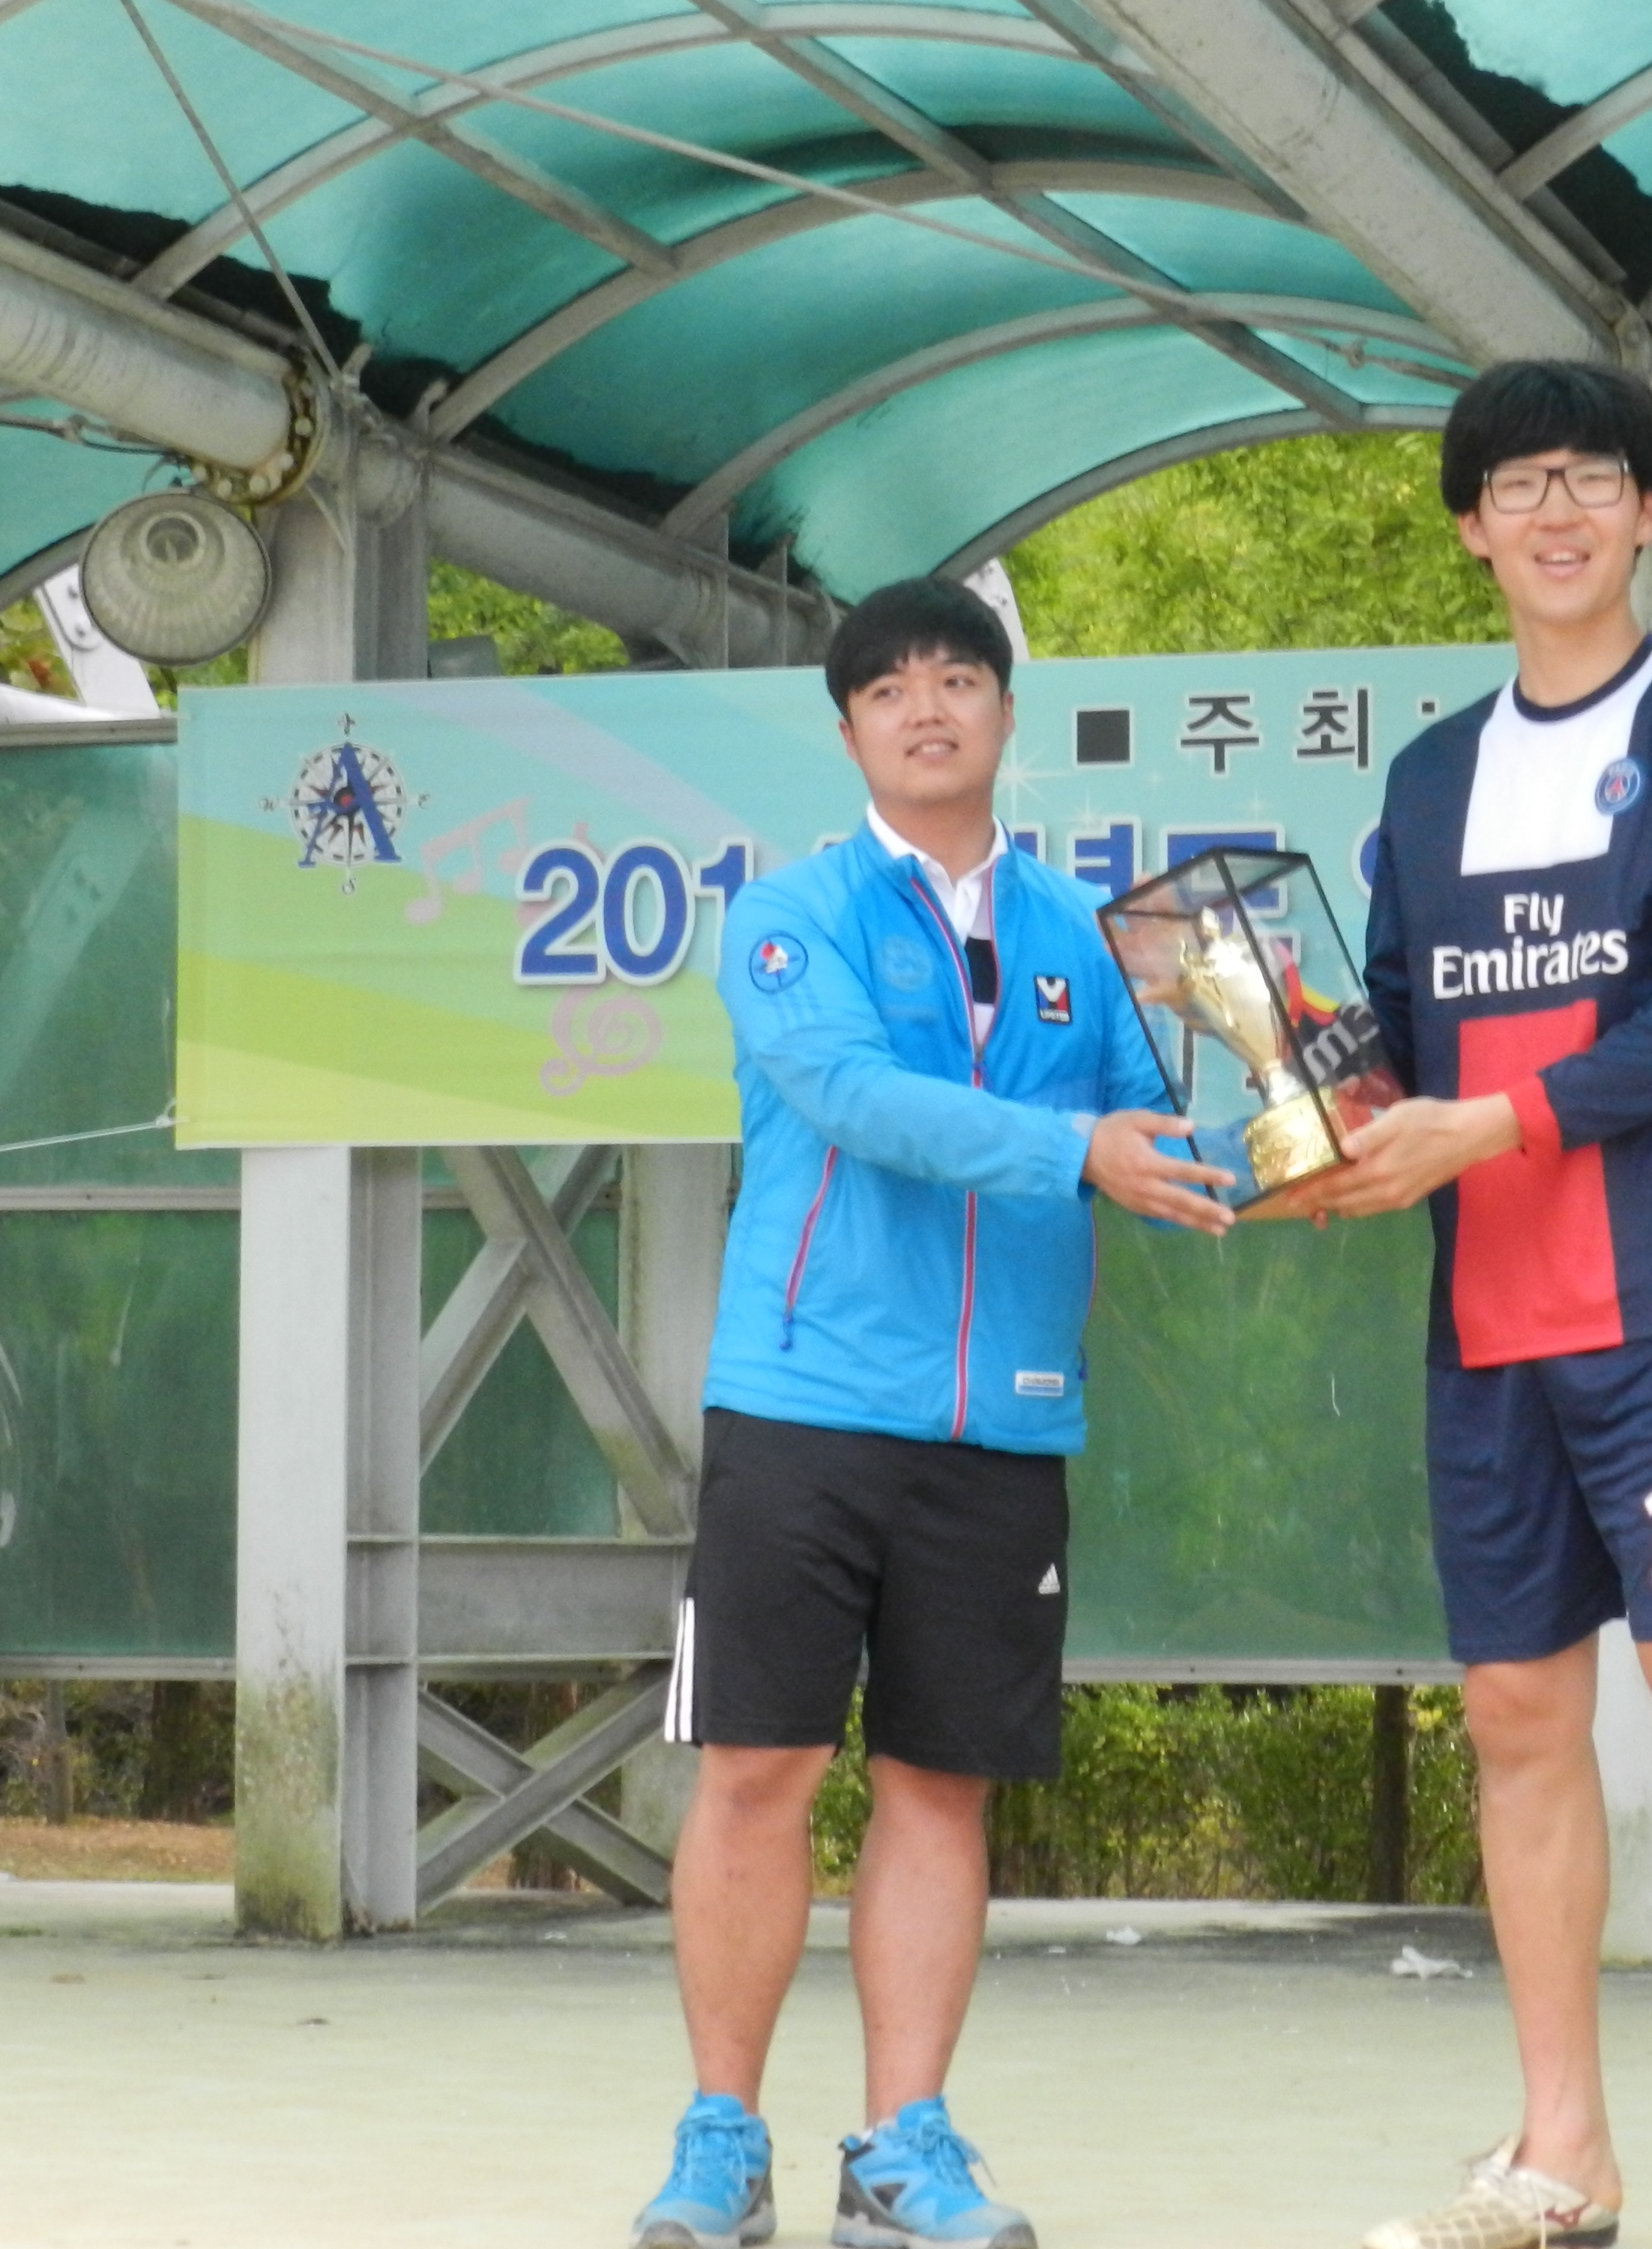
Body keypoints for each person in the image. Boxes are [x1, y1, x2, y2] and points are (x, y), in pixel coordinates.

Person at [1306, 361, 1652, 2249]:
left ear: (1642, 513)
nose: (1553, 511)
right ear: (1470, 529)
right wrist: (1325, 1099)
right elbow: (1401, 1025)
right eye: (1516, 485)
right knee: (1514, 1721)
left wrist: (1487, 1123)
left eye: (1588, 478)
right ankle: (1562, 2157)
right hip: (1485, 1317)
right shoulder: (1427, 776)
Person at [632, 576, 1232, 2249]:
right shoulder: (788, 915)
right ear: (848, 732)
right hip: (803, 1406)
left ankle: (902, 2147)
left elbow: (1166, 1132)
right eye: (888, 687)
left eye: (956, 678)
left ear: (1003, 715)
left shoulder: (1089, 939)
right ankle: (719, 2137)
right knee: (757, 1767)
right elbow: (852, 1096)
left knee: (941, 1784)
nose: (925, 707)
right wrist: (1070, 1148)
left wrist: (1322, 1130)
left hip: (1005, 1427)